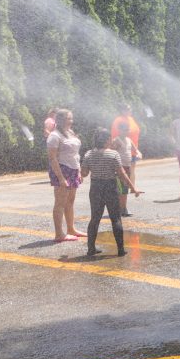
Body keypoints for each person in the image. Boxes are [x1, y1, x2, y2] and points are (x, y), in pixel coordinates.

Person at [81, 128, 140, 257]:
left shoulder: (88, 154)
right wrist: (133, 188)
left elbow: (84, 173)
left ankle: (91, 249)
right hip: (110, 187)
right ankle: (121, 250)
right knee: (116, 219)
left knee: (95, 219)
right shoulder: (113, 154)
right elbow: (122, 174)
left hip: (95, 188)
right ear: (107, 140)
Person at [47, 109, 86, 242]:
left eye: (71, 118)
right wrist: (61, 178)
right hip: (62, 170)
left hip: (73, 169)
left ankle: (71, 229)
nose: (71, 121)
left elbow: (75, 154)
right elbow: (52, 158)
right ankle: (59, 234)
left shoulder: (70, 132)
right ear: (61, 120)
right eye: (69, 118)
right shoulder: (54, 136)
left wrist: (79, 170)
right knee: (60, 203)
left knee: (70, 201)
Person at [111, 121, 141, 217]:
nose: (127, 132)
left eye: (128, 130)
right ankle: (121, 208)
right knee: (121, 188)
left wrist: (139, 154)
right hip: (119, 167)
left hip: (127, 166)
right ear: (119, 130)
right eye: (125, 130)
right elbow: (111, 152)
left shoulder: (128, 140)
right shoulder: (116, 140)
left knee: (125, 188)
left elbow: (135, 150)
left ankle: (123, 208)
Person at [111, 103, 141, 184]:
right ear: (122, 110)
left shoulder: (131, 119)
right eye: (127, 109)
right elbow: (115, 135)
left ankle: (132, 187)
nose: (129, 110)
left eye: (130, 109)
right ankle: (123, 187)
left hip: (132, 148)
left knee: (132, 169)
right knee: (123, 170)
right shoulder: (118, 120)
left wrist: (136, 150)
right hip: (122, 150)